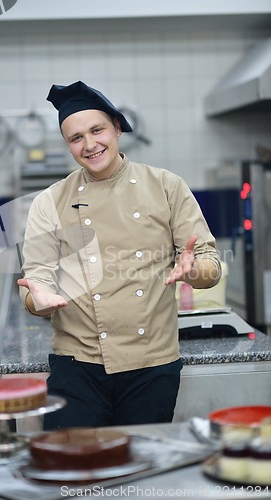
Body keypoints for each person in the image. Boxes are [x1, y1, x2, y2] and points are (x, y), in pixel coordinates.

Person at [17, 81, 221, 430]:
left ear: (117, 127)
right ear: (68, 145)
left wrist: (193, 271)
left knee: (141, 473)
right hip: (76, 365)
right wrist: (39, 300)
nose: (89, 144)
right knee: (75, 473)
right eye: (76, 138)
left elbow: (209, 264)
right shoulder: (48, 201)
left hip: (151, 365)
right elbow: (34, 281)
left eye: (97, 130)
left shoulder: (166, 186)